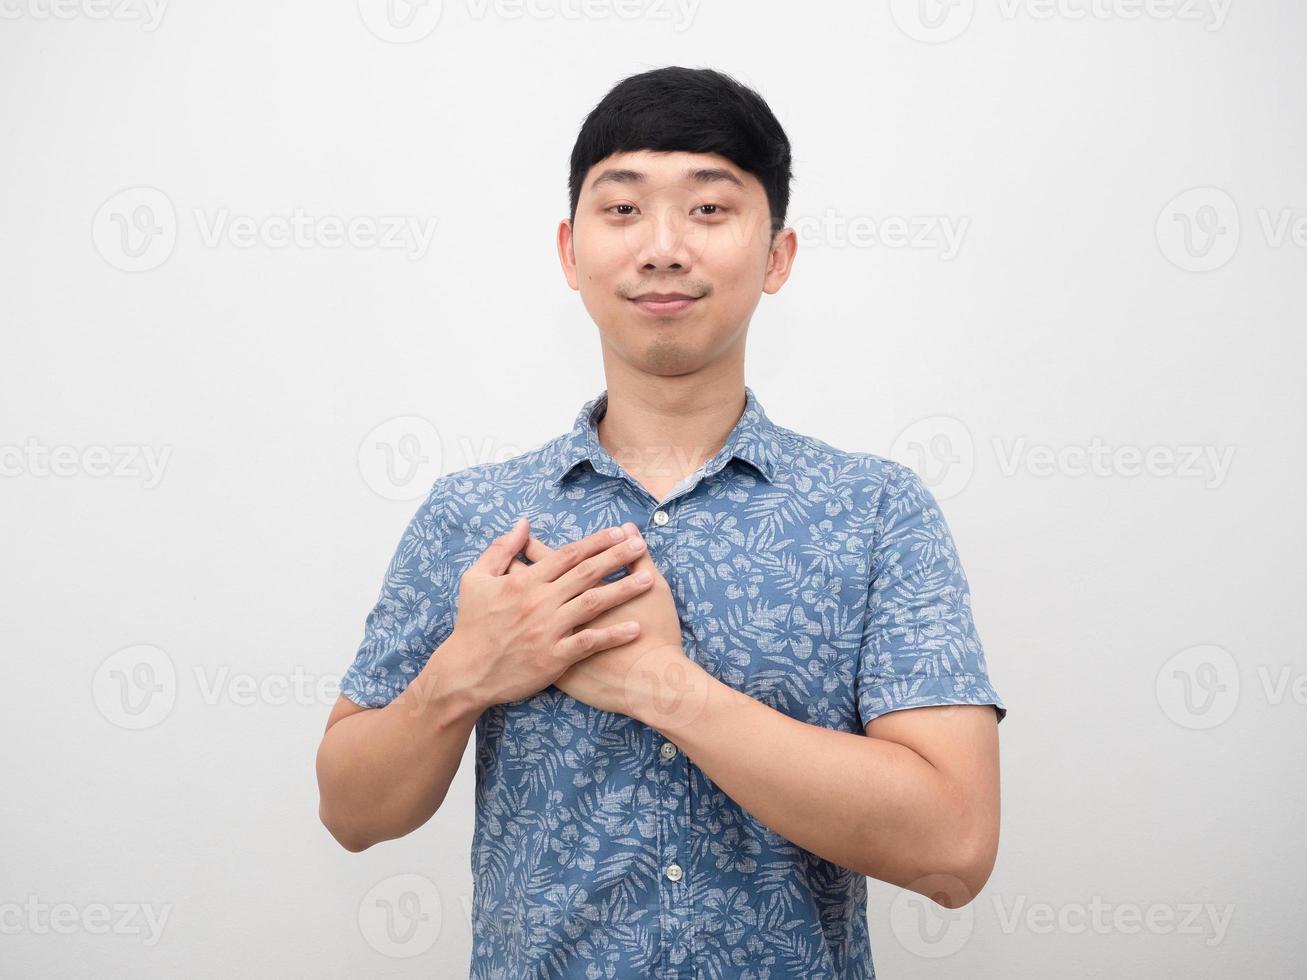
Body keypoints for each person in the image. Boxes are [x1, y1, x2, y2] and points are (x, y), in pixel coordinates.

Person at [316, 65, 1007, 980]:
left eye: (711, 210)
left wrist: (664, 689)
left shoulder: (875, 511)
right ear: (570, 251)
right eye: (623, 209)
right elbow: (352, 813)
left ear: (777, 255)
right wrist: (466, 675)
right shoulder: (475, 516)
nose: (663, 248)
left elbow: (953, 850)